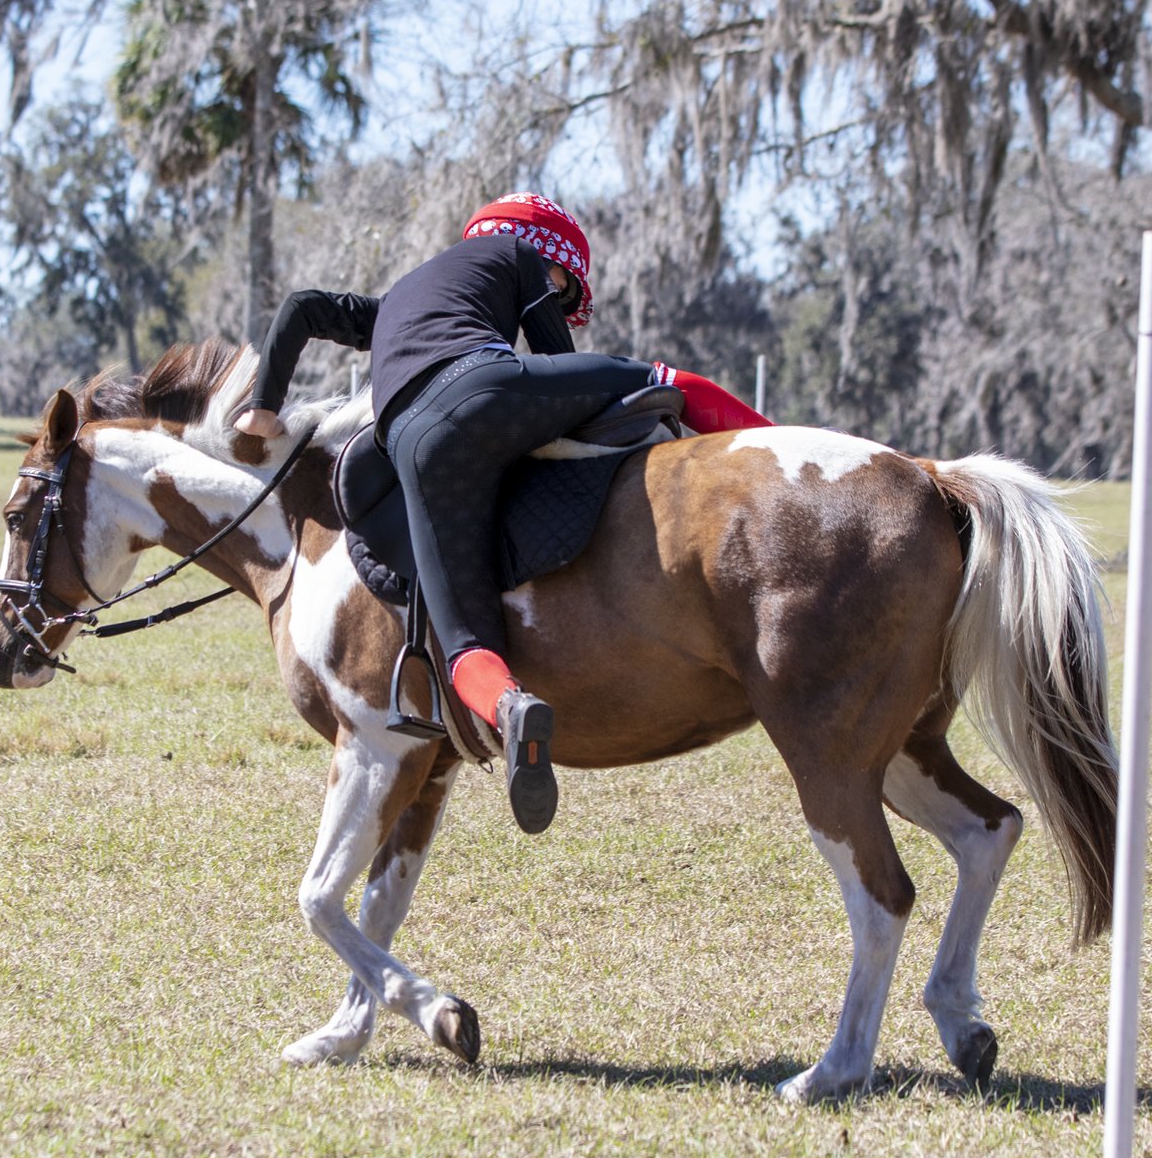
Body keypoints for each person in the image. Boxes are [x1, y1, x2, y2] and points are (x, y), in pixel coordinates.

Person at [234, 192, 769, 834]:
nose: (560, 295)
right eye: (564, 286)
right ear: (548, 256)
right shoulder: (518, 254)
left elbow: (302, 306)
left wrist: (264, 406)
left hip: (409, 442)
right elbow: (554, 356)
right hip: (485, 387)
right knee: (664, 381)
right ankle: (790, 447)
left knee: (466, 642)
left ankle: (512, 711)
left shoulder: (399, 302)